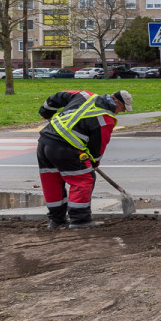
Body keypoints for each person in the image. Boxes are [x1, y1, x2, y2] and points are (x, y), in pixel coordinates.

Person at [37, 89, 133, 229]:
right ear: (116, 101)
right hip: (65, 149)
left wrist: (45, 112)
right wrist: (94, 162)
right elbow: (99, 145)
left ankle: (56, 220)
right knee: (84, 180)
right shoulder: (106, 118)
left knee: (52, 181)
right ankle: (80, 220)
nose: (123, 111)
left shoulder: (84, 95)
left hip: (44, 143)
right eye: (123, 108)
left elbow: (57, 96)